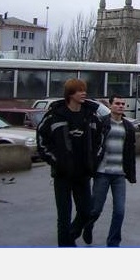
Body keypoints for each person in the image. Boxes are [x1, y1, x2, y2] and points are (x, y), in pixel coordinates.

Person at [36, 78, 106, 247]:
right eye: (79, 91)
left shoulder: (91, 115)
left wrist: (94, 161)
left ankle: (72, 234)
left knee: (86, 211)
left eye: (84, 90)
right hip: (63, 174)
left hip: (83, 174)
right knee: (64, 216)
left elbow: (100, 140)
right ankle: (65, 245)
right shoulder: (54, 115)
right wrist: (56, 161)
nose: (84, 93)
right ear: (70, 94)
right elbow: (41, 141)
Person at [83, 95, 137, 247]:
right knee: (96, 209)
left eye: (122, 104)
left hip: (119, 173)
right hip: (102, 172)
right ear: (111, 105)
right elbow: (93, 146)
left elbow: (130, 151)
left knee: (119, 210)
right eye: (117, 103)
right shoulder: (102, 123)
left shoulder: (128, 126)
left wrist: (130, 173)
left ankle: (113, 242)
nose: (120, 106)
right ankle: (88, 225)